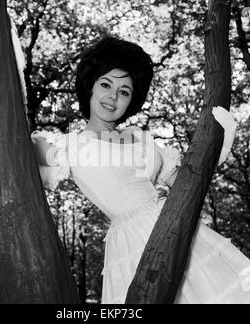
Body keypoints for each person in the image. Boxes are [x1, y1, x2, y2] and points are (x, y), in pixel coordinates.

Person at [31, 37, 250, 304]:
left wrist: (216, 149)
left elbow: (186, 183)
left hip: (176, 227)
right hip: (132, 245)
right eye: (105, 84)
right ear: (90, 85)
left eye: (124, 91)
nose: (113, 96)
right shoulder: (67, 146)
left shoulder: (140, 138)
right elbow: (17, 148)